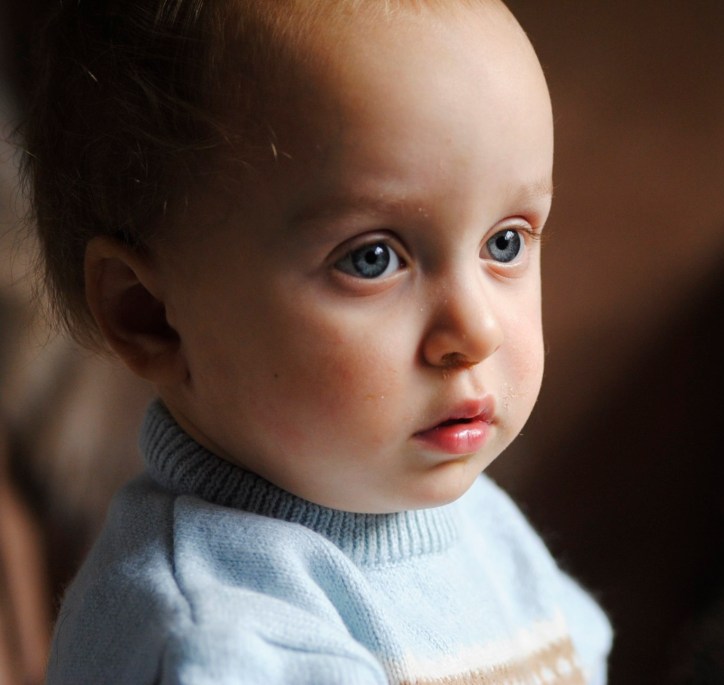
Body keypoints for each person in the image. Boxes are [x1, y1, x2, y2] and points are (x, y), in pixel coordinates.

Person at [20, 0, 611, 682]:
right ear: (150, 314)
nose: (475, 331)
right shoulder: (222, 639)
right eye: (372, 259)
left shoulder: (479, 525)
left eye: (504, 243)